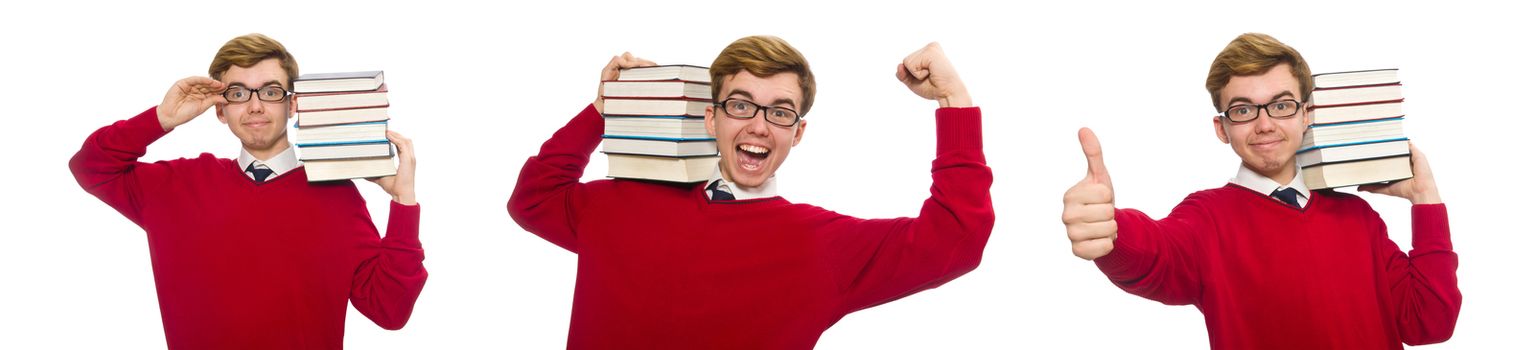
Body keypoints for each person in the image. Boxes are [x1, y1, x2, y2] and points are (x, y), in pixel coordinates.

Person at [508, 36, 993, 348]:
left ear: (797, 132)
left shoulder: (821, 245)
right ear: (711, 118)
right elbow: (533, 198)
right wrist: (603, 107)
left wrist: (955, 100)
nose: (759, 126)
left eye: (780, 111)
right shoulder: (620, 203)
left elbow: (957, 237)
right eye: (741, 105)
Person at [1060, 33, 1460, 349]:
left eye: (1281, 105)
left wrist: (1426, 199)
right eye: (1243, 110)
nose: (1265, 124)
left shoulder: (1358, 217)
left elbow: (1429, 322)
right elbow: (1157, 254)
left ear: (1307, 115)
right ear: (1222, 128)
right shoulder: (1206, 218)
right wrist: (1112, 233)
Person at [68, 33, 426, 349]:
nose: (255, 106)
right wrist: (161, 118)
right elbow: (90, 167)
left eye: (270, 91)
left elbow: (389, 310)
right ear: (220, 109)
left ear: (293, 104)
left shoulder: (338, 196)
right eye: (238, 93)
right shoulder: (174, 186)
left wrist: (402, 202)